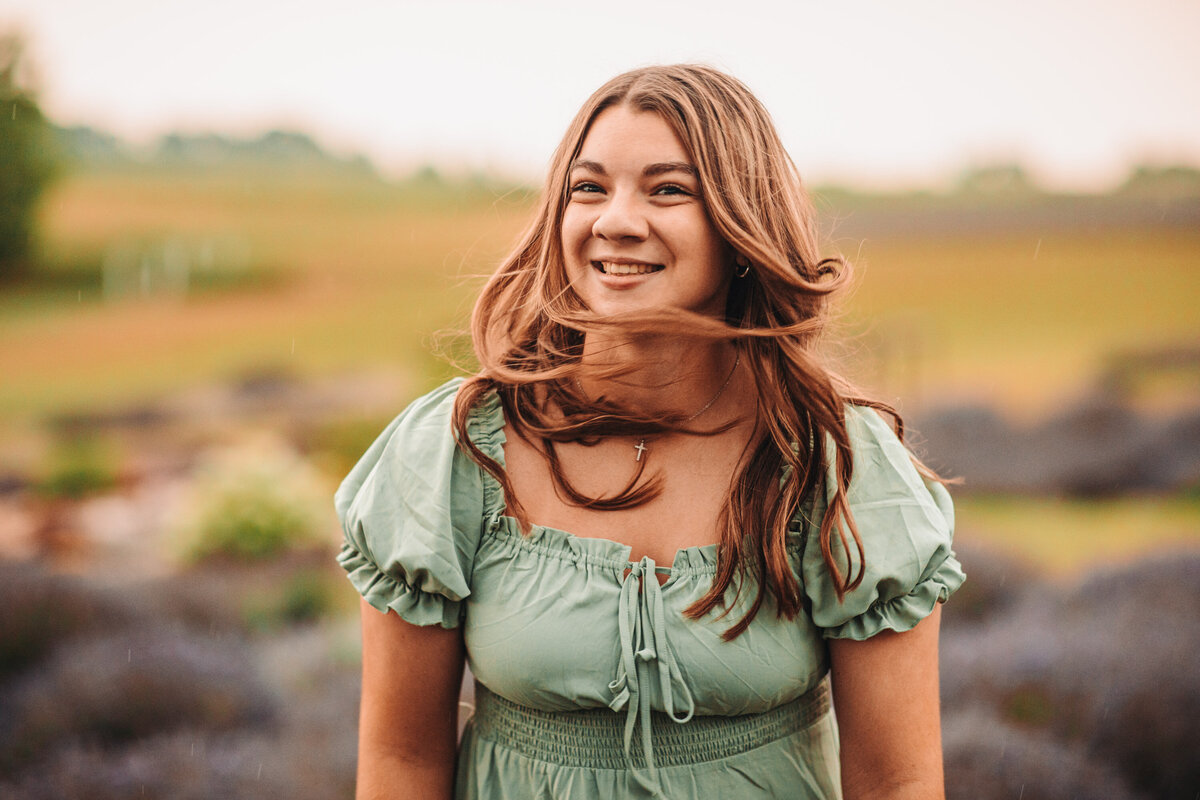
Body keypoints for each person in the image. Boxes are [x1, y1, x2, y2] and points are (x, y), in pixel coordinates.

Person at [336, 64, 964, 800]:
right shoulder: (456, 450)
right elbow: (402, 763)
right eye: (589, 188)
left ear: (740, 228)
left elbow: (896, 783)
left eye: (668, 189)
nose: (616, 220)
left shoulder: (833, 463)